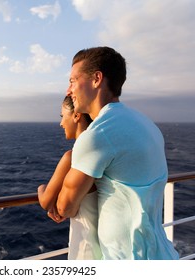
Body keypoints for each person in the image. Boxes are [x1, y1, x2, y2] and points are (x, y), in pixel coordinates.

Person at [55, 46, 179, 259]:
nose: (69, 90)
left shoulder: (98, 134)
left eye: (73, 81)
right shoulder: (146, 123)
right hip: (161, 253)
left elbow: (64, 207)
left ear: (96, 79)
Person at [37, 96, 102, 260]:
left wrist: (41, 188)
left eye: (62, 116)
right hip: (106, 246)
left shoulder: (72, 157)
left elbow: (46, 201)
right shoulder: (103, 151)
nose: (61, 123)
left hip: (85, 247)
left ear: (76, 115)